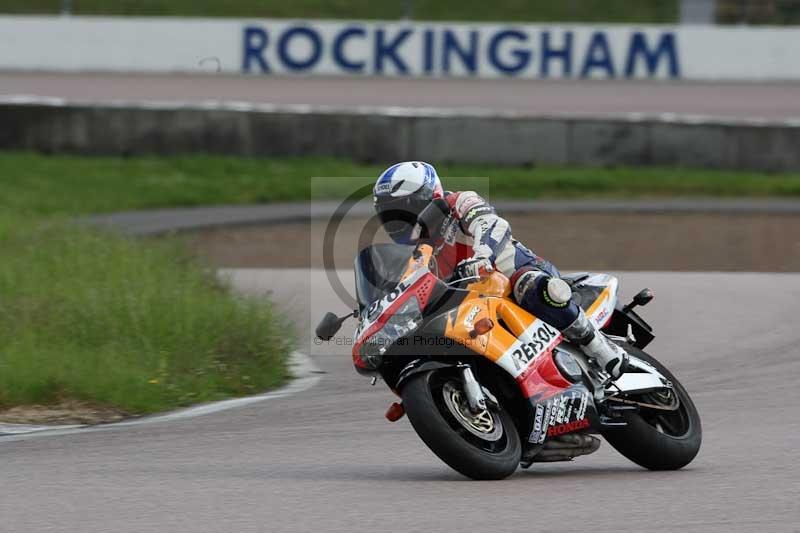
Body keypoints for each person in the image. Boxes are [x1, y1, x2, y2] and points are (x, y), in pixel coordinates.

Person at [372, 160, 628, 381]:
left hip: (516, 273)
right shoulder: (418, 255)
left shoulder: (458, 202)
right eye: (388, 214)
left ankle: (600, 348)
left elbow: (492, 224)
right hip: (478, 308)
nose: (396, 221)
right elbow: (408, 292)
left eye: (402, 209)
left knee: (528, 285)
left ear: (426, 197)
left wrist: (482, 255)